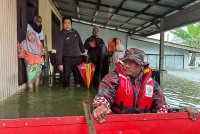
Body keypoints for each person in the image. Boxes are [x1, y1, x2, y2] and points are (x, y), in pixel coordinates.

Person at [92, 48, 199, 123]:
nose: (127, 66)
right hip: (117, 123)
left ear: (141, 66)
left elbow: (162, 109)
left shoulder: (153, 85)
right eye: (125, 62)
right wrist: (101, 106)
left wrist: (182, 110)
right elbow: (103, 96)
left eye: (132, 63)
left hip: (143, 125)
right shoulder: (111, 78)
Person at [56, 16, 85, 88]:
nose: (67, 24)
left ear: (71, 24)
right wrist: (60, 63)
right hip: (67, 59)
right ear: (63, 24)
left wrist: (83, 51)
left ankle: (77, 90)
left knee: (78, 76)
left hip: (77, 58)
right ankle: (66, 91)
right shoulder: (61, 35)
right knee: (66, 77)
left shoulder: (75, 32)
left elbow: (80, 43)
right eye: (65, 23)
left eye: (69, 23)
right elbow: (59, 50)